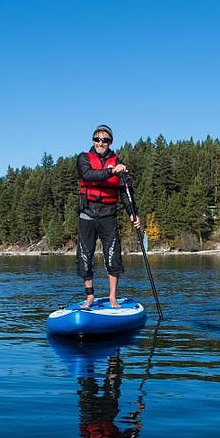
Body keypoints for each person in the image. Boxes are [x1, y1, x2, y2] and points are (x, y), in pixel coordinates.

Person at [76, 124, 141, 308]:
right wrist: (112, 171)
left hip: (108, 215)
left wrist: (133, 214)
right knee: (85, 256)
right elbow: (88, 175)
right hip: (87, 214)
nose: (100, 143)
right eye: (97, 139)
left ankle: (113, 296)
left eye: (104, 140)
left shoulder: (119, 163)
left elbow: (126, 192)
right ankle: (90, 296)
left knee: (112, 255)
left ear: (110, 142)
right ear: (93, 141)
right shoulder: (83, 159)